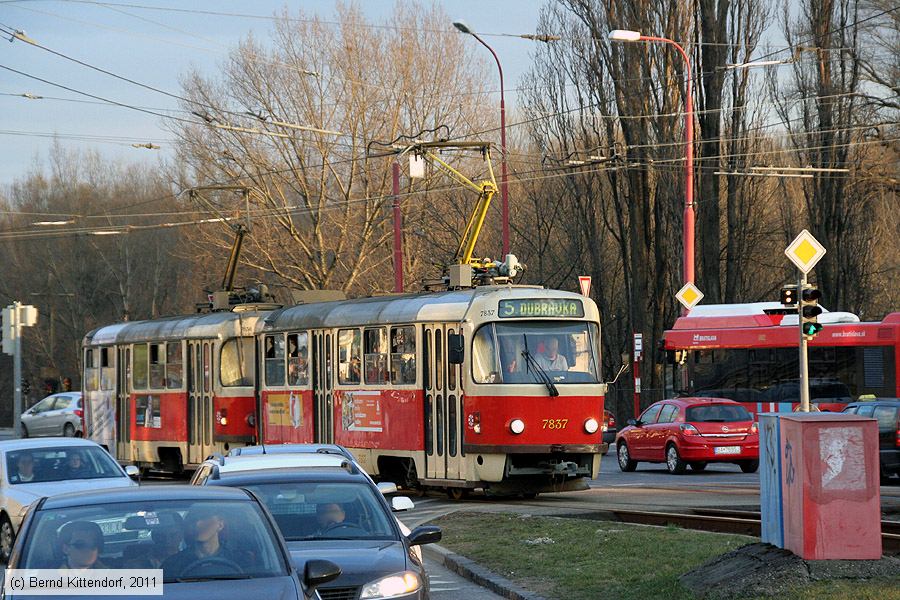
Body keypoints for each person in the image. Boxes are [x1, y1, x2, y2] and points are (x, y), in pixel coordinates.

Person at [161, 506, 243, 578]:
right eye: (193, 520)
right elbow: (153, 587)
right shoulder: (172, 564)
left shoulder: (241, 560)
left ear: (220, 525)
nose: (197, 524)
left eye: (204, 518)